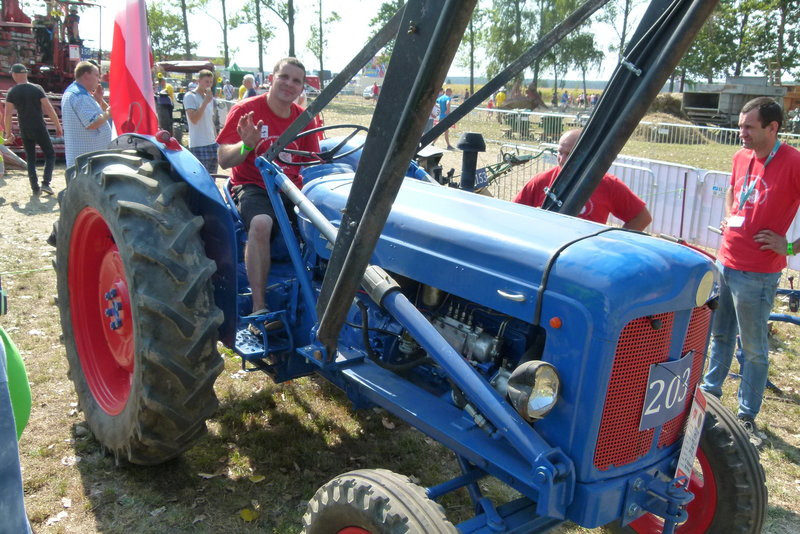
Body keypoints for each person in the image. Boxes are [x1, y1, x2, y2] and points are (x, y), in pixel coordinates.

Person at [700, 97, 800, 446]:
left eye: (749, 127)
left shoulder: (793, 162)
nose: (741, 132)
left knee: (754, 348)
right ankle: (709, 396)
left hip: (758, 273)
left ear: (772, 128)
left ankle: (745, 416)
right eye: (741, 125)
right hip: (725, 260)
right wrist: (729, 214)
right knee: (719, 334)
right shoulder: (741, 156)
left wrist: (788, 247)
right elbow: (732, 189)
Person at [217, 57, 320, 319]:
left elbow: (313, 162)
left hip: (291, 187)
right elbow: (224, 159)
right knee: (262, 223)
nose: (289, 84)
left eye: (296, 81)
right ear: (271, 78)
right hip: (254, 185)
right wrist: (246, 146)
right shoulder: (247, 110)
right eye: (284, 77)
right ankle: (259, 306)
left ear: (301, 88)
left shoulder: (305, 119)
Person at [513, 129, 652, 231]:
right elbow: (514, 213)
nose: (562, 159)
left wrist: (615, 244)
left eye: (569, 154)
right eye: (560, 152)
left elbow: (641, 218)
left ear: (584, 154)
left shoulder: (608, 184)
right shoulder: (541, 181)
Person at [3, 63, 62, 196]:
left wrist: (8, 133)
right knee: (50, 154)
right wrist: (57, 125)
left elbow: (8, 114)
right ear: (25, 74)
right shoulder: (37, 89)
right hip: (39, 126)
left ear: (15, 75)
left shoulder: (12, 92)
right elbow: (49, 108)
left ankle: (35, 187)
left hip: (25, 128)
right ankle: (46, 183)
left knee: (31, 158)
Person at [61, 60, 113, 169]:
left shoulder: (77, 93)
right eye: (96, 75)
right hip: (87, 161)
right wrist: (109, 112)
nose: (98, 79)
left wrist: (98, 100)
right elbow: (92, 123)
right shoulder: (80, 95)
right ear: (86, 76)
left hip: (85, 158)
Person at [183, 69, 219, 174]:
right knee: (201, 178)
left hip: (212, 144)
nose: (209, 84)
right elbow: (194, 119)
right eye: (206, 81)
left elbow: (210, 120)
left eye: (211, 82)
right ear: (199, 81)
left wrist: (216, 140)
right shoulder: (190, 96)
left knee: (212, 179)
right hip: (199, 144)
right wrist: (205, 102)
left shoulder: (208, 98)